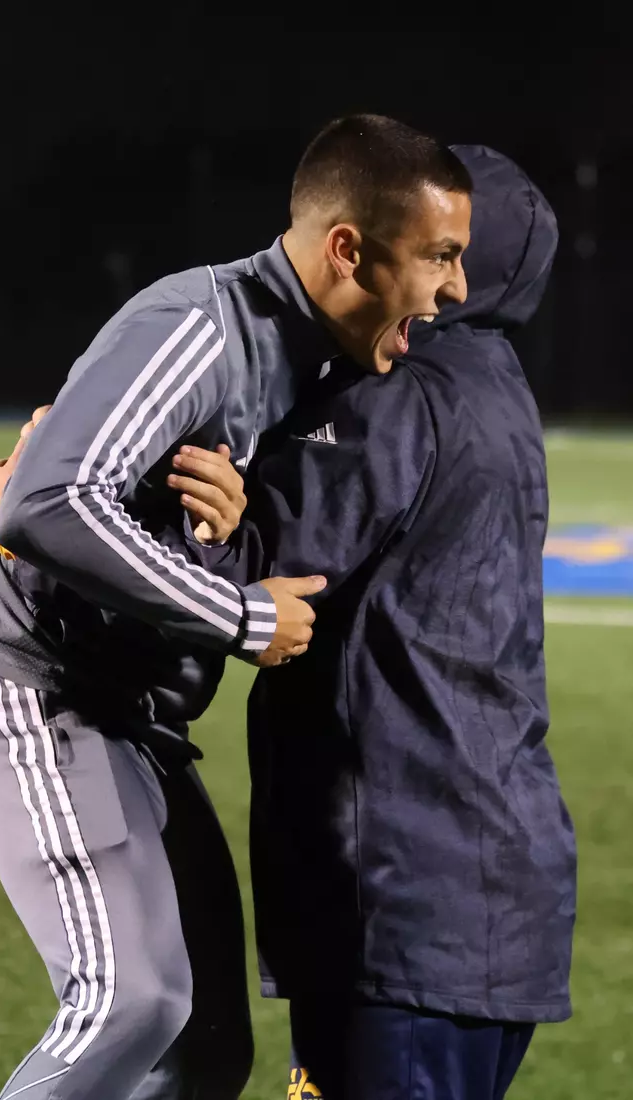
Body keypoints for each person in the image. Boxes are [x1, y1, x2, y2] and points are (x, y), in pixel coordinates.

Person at [0, 114, 472, 1100]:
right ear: (349, 249)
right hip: (33, 693)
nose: (455, 287)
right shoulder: (202, 326)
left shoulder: (323, 362)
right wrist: (240, 617)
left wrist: (223, 535)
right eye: (439, 254)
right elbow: (46, 499)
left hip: (134, 723)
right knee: (129, 1003)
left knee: (202, 1050)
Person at [185, 145, 575, 1099]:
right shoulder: (496, 383)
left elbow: (273, 578)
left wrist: (192, 510)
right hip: (491, 888)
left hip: (400, 892)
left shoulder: (396, 391)